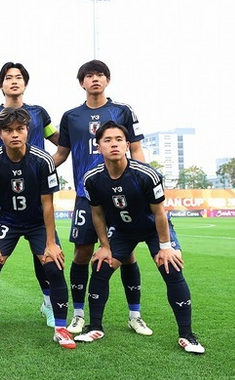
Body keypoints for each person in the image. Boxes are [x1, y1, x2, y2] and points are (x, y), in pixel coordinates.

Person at [76, 121, 205, 354]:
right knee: (101, 266)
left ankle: (187, 335)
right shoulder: (92, 179)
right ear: (98, 147)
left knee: (171, 267)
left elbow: (159, 213)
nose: (114, 144)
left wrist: (165, 246)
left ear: (127, 145)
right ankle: (95, 326)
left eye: (119, 140)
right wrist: (104, 245)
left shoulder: (146, 174)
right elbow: (97, 214)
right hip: (122, 231)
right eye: (107, 140)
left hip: (153, 229)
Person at [52, 60, 151, 336]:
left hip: (122, 194)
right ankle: (78, 314)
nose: (95, 79)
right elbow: (61, 154)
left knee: (126, 253)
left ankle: (135, 315)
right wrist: (37, 170)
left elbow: (136, 149)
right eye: (89, 75)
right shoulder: (71, 116)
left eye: (100, 75)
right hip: (86, 194)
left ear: (107, 80)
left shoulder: (122, 110)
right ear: (81, 82)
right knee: (82, 253)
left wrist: (144, 182)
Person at [0, 107, 75, 349]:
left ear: (27, 131)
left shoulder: (42, 160)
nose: (14, 134)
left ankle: (61, 328)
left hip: (37, 223)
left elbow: (48, 204)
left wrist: (51, 243)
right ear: (0, 133)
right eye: (8, 130)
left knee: (54, 266)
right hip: (7, 222)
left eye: (20, 129)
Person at [0, 62, 59, 327]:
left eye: (19, 77)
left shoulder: (39, 113)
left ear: (25, 83)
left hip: (35, 196)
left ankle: (49, 303)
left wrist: (47, 166)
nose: (14, 81)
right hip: (5, 203)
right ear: (1, 84)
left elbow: (60, 141)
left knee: (45, 259)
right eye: (8, 77)